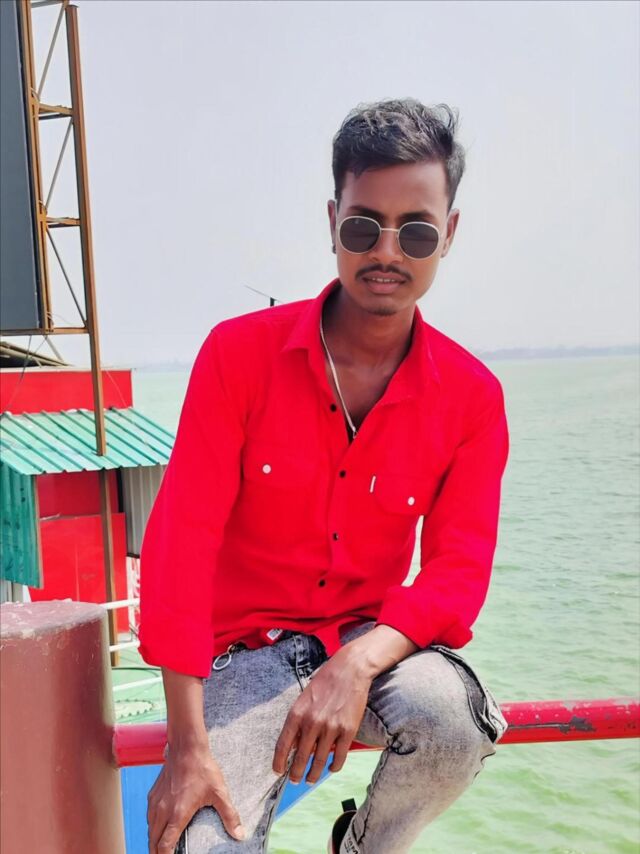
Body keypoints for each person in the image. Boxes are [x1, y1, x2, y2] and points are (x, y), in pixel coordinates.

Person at [139, 98, 510, 854]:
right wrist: (185, 745)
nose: (387, 252)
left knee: (454, 725)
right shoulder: (238, 357)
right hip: (241, 659)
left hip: (369, 649)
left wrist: (357, 662)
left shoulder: (472, 398)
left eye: (416, 232)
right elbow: (181, 547)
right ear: (332, 219)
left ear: (449, 234)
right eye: (364, 226)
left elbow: (458, 570)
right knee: (196, 844)